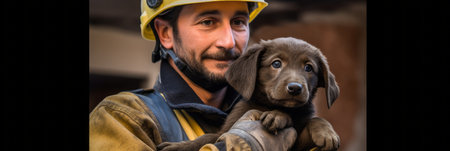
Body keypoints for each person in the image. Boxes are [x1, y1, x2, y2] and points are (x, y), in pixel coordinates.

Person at [89, 0, 297, 150]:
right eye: (208, 22)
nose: (229, 42)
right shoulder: (123, 119)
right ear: (165, 34)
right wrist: (245, 145)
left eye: (238, 22)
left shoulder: (274, 109)